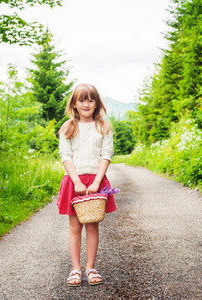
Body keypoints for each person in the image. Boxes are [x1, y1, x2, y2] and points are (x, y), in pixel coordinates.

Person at [57, 83, 116, 287]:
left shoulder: (103, 127)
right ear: (74, 103)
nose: (86, 104)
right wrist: (77, 181)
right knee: (75, 227)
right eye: (81, 100)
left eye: (91, 100)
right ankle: (76, 268)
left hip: (96, 181)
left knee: (92, 225)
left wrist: (97, 181)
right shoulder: (68, 127)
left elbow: (106, 155)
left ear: (97, 104)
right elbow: (66, 156)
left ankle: (91, 267)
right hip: (74, 181)